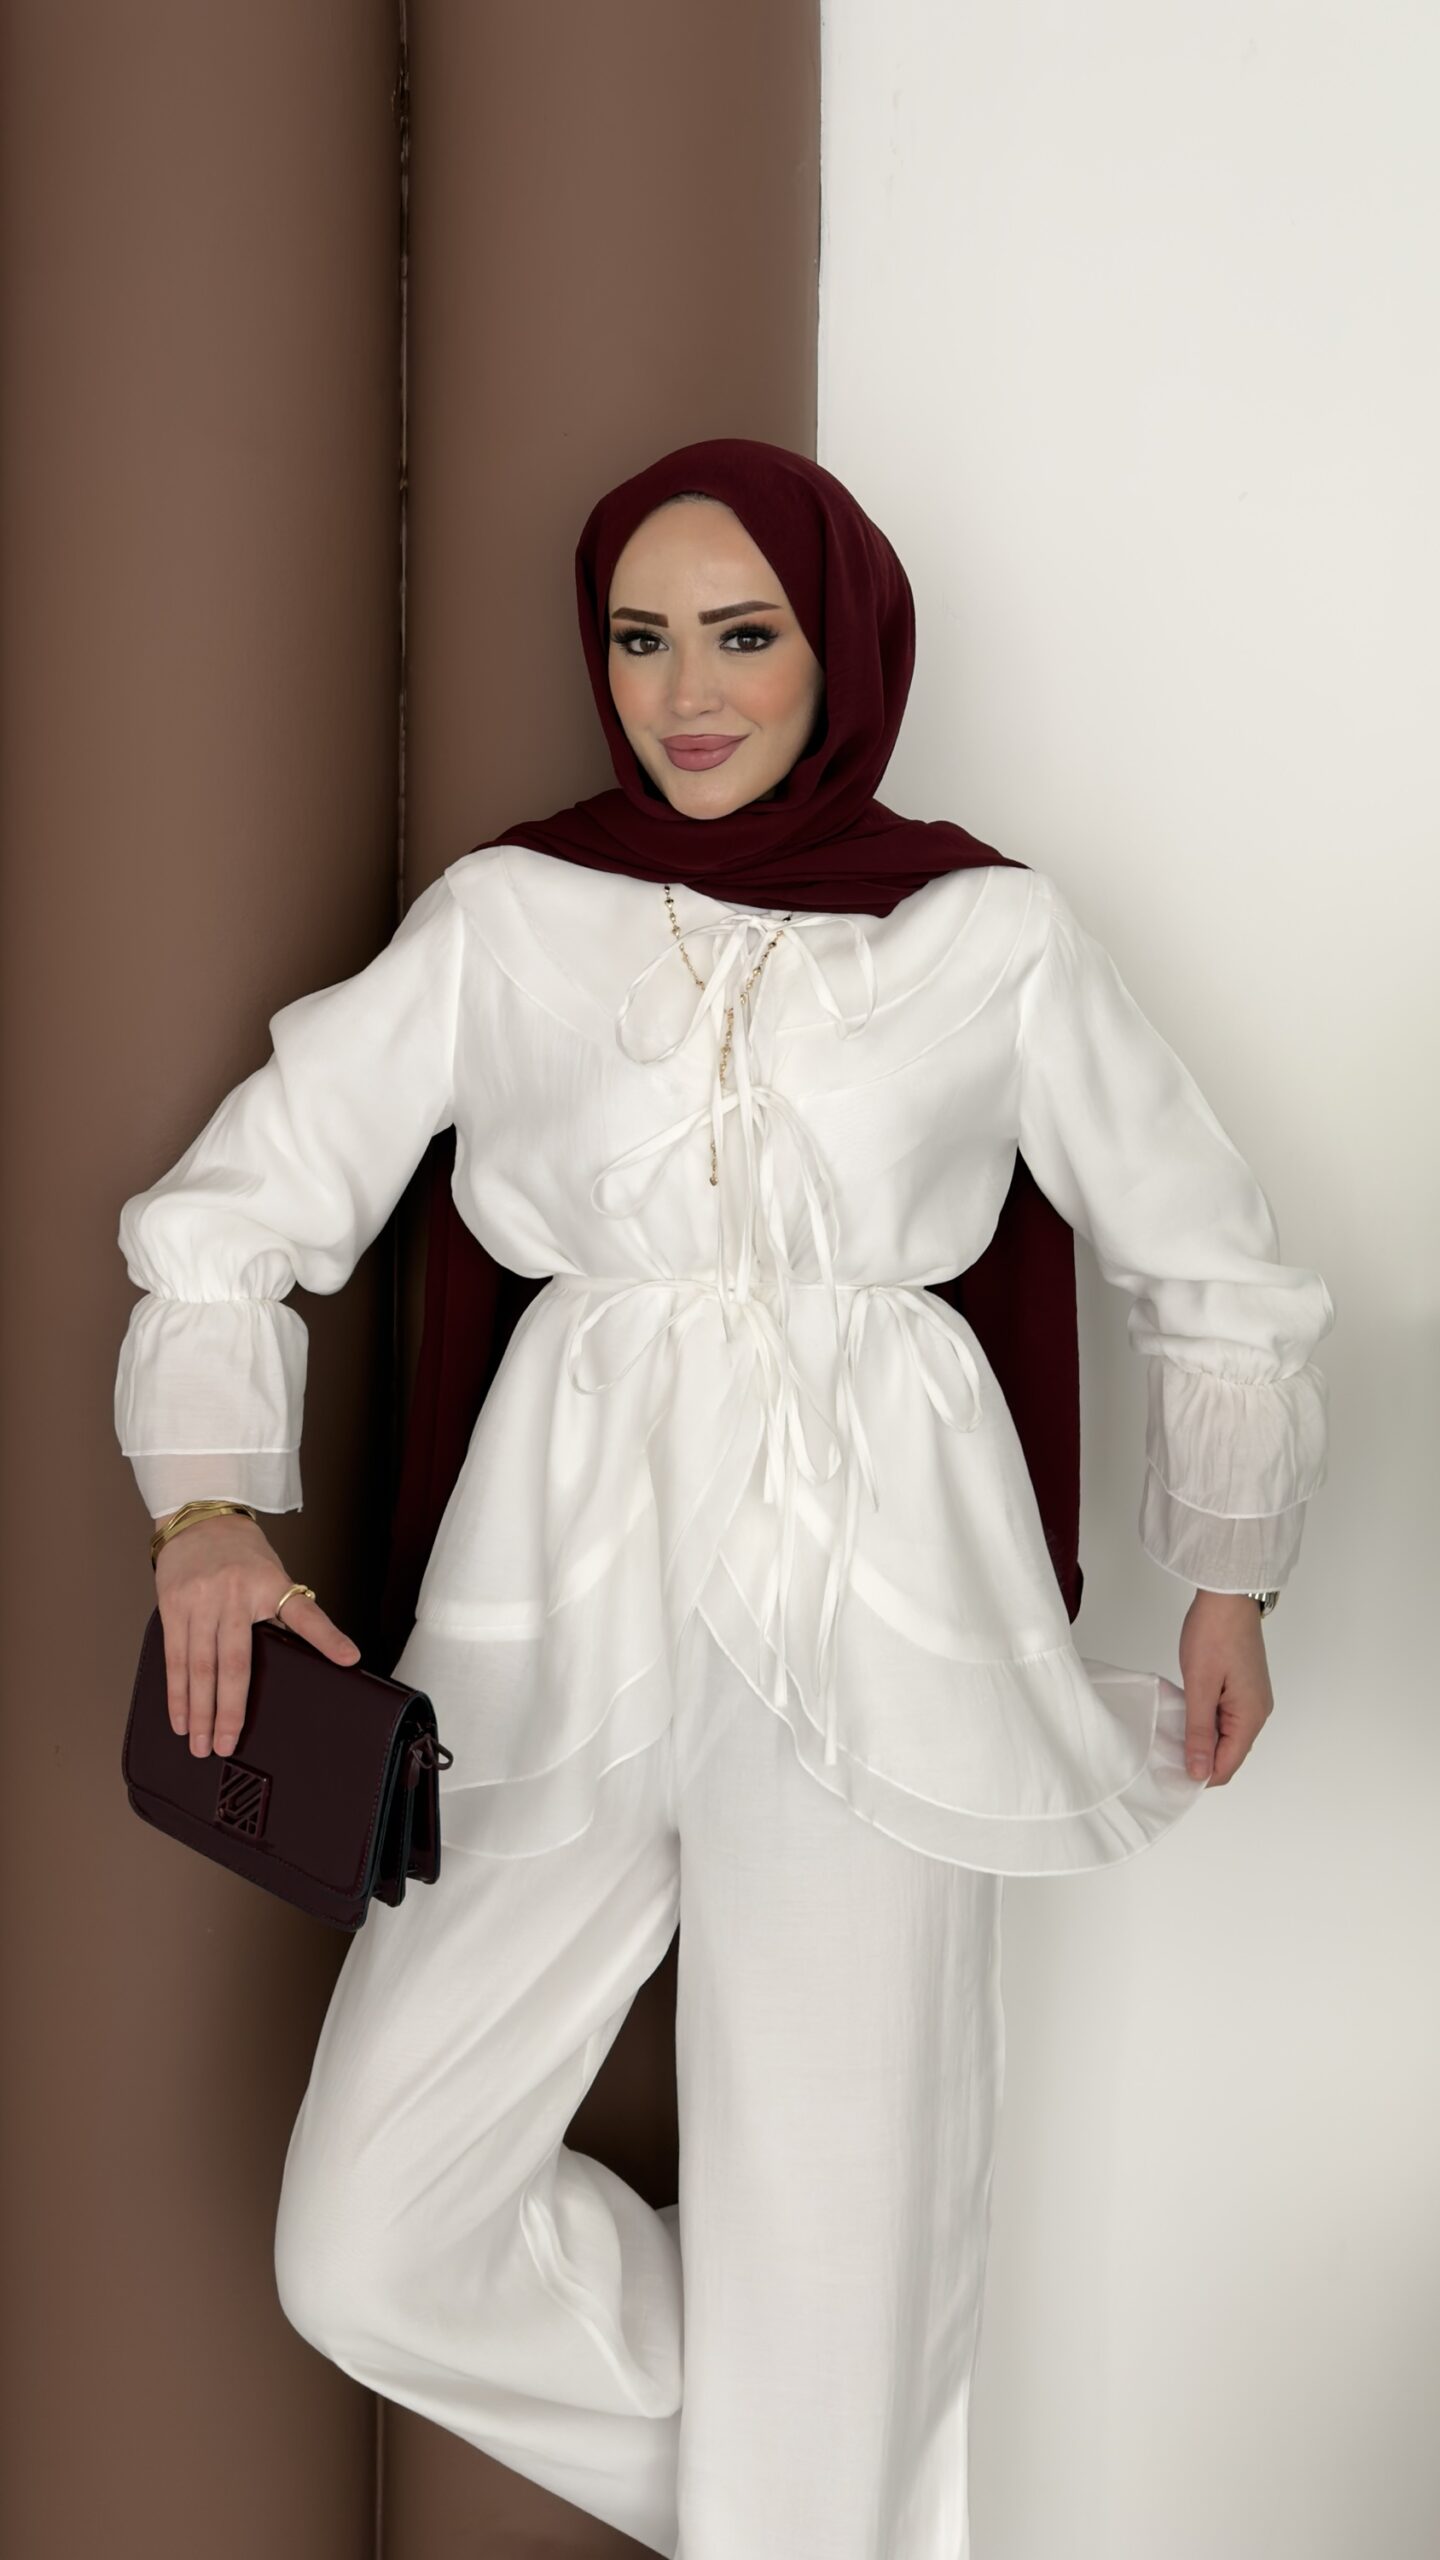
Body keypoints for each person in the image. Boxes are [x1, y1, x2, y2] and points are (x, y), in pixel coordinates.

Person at [114, 438, 1334, 2558]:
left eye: (744, 634)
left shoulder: (986, 933)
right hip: (547, 1618)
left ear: (838, 646)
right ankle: (821, 2488)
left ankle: (823, 2473)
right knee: (370, 2241)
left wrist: (1229, 1574)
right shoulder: (509, 919)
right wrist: (205, 1506)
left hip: (883, 1621)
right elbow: (237, 1203)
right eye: (641, 637)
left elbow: (1210, 1252)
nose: (688, 691)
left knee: (846, 2235)